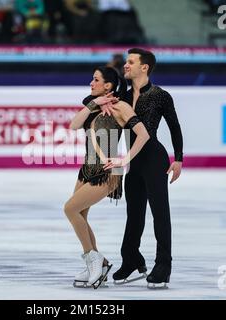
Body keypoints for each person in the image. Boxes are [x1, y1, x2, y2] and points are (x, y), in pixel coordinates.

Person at [64, 66, 150, 289]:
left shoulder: (120, 107)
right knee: (80, 213)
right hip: (87, 168)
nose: (91, 83)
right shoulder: (91, 104)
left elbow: (143, 134)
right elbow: (73, 125)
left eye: (95, 80)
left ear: (108, 85)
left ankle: (93, 260)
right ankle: (99, 264)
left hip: (108, 171)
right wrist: (94, 104)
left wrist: (124, 159)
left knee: (70, 209)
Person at [107, 48, 183, 289]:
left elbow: (174, 127)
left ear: (144, 67)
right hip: (134, 162)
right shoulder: (124, 98)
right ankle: (131, 260)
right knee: (134, 214)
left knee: (160, 213)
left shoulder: (160, 95)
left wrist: (178, 159)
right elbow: (116, 132)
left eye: (131, 62)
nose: (126, 66)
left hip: (154, 159)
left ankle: (163, 265)